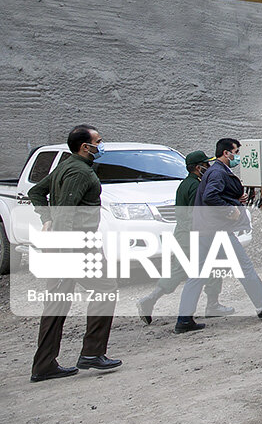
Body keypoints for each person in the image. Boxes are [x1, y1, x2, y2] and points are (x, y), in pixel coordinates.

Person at [29, 125, 122, 382]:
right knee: (105, 289)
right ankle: (91, 353)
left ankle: (44, 365)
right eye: (99, 142)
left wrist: (46, 218)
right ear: (85, 147)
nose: (102, 146)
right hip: (77, 245)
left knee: (57, 304)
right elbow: (67, 214)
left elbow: (35, 191)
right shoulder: (79, 172)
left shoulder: (66, 165)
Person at [174, 138, 262, 332]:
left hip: (205, 229)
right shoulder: (218, 171)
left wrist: (233, 198)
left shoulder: (215, 171)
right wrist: (229, 209)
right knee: (244, 266)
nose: (238, 156)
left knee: (198, 274)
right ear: (226, 153)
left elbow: (214, 194)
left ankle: (183, 320)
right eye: (235, 151)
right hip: (216, 230)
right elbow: (210, 196)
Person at [136, 150, 231, 324]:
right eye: (206, 165)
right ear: (198, 167)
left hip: (184, 234)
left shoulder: (186, 184)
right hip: (193, 235)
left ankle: (211, 304)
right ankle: (210, 305)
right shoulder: (196, 187)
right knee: (195, 269)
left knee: (187, 270)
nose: (209, 167)